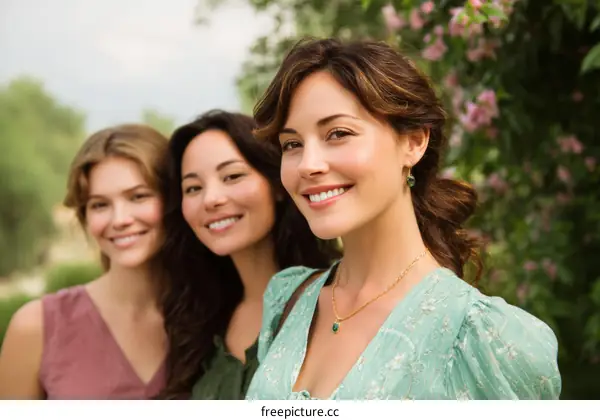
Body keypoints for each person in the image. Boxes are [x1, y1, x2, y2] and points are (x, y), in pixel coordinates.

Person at [244, 38, 562, 400]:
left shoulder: (486, 340)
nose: (309, 164)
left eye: (338, 134)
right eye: (292, 144)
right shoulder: (287, 300)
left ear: (413, 142)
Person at [155, 110, 340, 399]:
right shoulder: (196, 320)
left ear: (277, 184)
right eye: (193, 188)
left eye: (232, 176)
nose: (212, 199)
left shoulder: (334, 301)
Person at [0, 124, 170, 399]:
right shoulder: (37, 328)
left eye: (138, 196)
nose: (120, 219)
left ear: (174, 199)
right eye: (99, 204)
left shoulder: (212, 320)